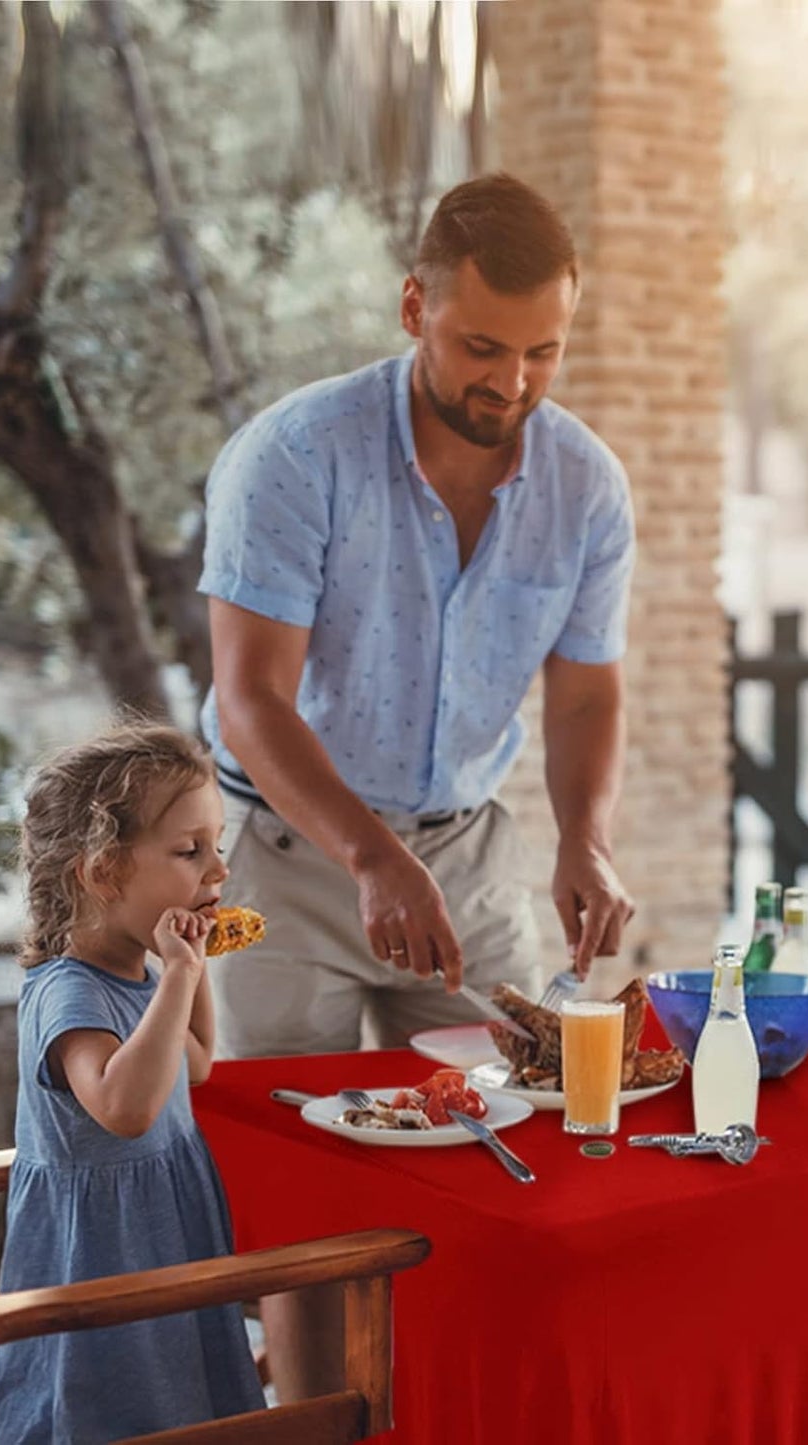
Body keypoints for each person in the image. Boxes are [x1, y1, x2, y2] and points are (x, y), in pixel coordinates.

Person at [197, 171, 636, 1400]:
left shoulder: (586, 485)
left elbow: (584, 695)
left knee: (504, 1133)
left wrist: (585, 841)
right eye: (481, 347)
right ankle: (308, 1413)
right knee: (295, 1176)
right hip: (280, 865)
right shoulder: (294, 455)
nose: (512, 383)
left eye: (542, 352)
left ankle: (449, 1404)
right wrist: (369, 856)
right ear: (413, 308)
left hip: (466, 858)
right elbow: (253, 699)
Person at [0, 724, 266, 1442]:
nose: (218, 870)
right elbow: (125, 1106)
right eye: (189, 850)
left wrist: (185, 970)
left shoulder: (142, 973)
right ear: (103, 873)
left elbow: (196, 1060)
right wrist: (177, 974)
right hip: (102, 1252)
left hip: (166, 1228)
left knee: (181, 1392)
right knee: (111, 1405)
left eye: (217, 844)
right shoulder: (68, 992)